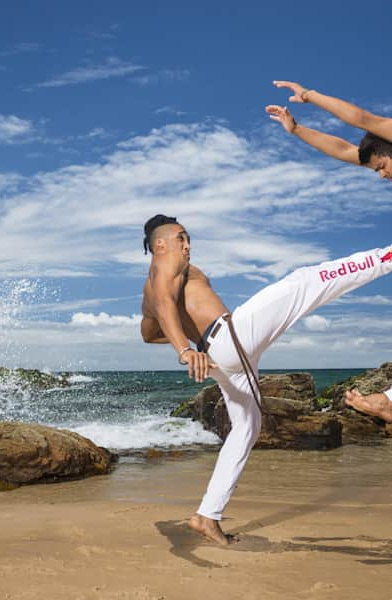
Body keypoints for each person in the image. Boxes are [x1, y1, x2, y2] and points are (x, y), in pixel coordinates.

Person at [141, 213, 392, 545]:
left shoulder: (154, 284)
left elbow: (149, 330)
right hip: (230, 338)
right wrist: (185, 350)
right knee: (303, 282)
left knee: (247, 427)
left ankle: (207, 515)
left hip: (223, 357)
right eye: (181, 238)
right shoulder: (165, 264)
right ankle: (386, 257)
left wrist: (192, 341)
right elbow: (162, 303)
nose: (187, 245)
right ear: (160, 243)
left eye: (188, 239)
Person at [266, 81, 392, 419]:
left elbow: (363, 118)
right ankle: (389, 401)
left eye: (381, 167)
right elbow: (341, 149)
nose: (381, 176)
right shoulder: (378, 157)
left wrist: (309, 96)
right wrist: (296, 130)